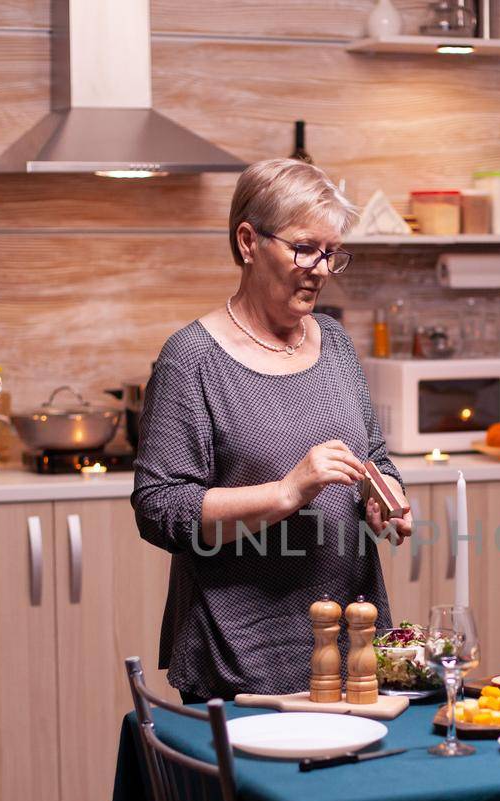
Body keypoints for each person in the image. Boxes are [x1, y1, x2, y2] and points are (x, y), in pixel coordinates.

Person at [132, 158, 412, 701]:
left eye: (332, 253)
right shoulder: (191, 358)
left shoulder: (334, 343)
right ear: (247, 242)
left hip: (351, 649)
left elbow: (372, 451)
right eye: (305, 248)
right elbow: (159, 508)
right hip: (241, 659)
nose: (322, 268)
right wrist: (288, 491)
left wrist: (384, 493)